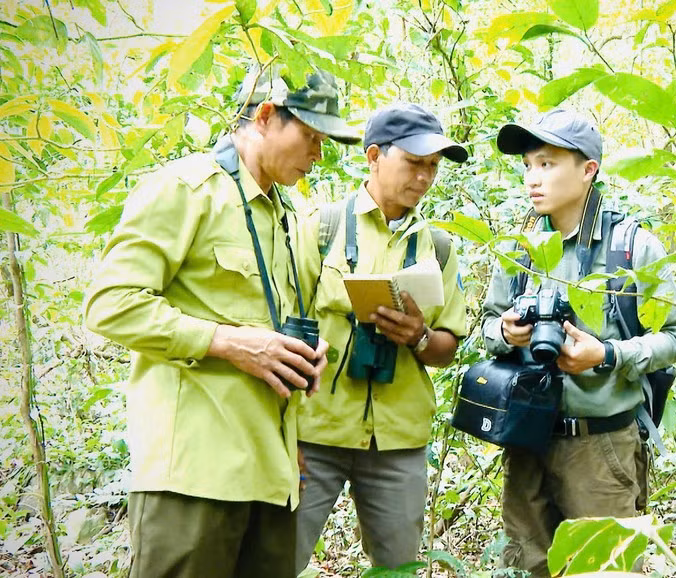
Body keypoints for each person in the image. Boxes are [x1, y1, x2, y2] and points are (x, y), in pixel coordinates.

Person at [83, 66, 359, 578]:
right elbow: (109, 302)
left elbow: (270, 326)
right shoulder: (187, 189)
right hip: (194, 477)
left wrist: (296, 391)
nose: (318, 155)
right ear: (266, 116)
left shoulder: (287, 215)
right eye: (311, 137)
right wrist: (226, 341)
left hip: (271, 477)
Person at [481, 108, 676, 577]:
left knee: (605, 570)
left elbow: (674, 338)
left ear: (588, 170)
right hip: (526, 441)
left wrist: (608, 354)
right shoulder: (520, 250)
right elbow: (488, 325)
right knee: (526, 566)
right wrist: (505, 333)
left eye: (548, 164)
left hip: (601, 448)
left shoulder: (632, 248)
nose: (533, 178)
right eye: (529, 165)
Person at [292, 103, 469, 571]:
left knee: (397, 567)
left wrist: (418, 336)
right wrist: (280, 432)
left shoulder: (440, 247)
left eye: (432, 167)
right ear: (373, 156)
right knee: (275, 557)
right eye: (413, 163)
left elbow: (448, 345)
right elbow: (283, 323)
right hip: (316, 433)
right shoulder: (322, 228)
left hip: (397, 442)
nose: (424, 177)